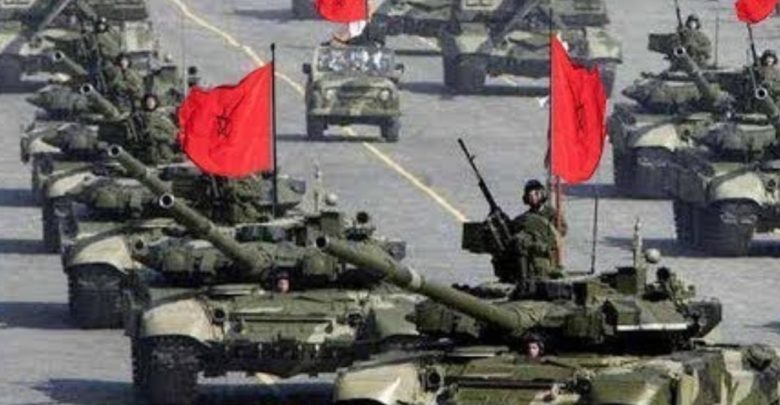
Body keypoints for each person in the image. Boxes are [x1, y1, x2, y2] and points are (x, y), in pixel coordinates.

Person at [508, 180, 566, 284]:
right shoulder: (525, 218)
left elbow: (561, 231)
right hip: (527, 262)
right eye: (530, 195)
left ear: (542, 194)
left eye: (536, 194)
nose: (533, 197)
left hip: (546, 258)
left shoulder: (552, 214)